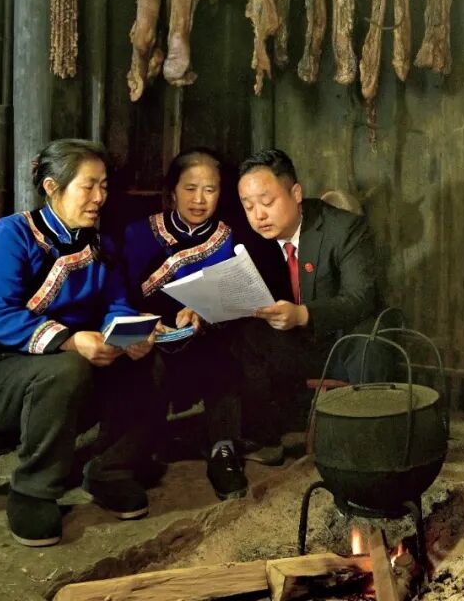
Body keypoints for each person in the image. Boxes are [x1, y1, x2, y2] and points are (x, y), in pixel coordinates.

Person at [0, 139, 163, 547]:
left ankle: (110, 470)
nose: (100, 197)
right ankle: (32, 491)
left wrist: (128, 336)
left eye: (104, 186)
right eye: (89, 186)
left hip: (67, 378)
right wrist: (70, 341)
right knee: (66, 366)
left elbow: (116, 304)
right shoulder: (13, 235)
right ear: (52, 187)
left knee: (146, 362)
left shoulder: (100, 245)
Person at [233, 148, 386, 456]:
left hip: (338, 343)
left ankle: (368, 442)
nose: (258, 215)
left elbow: (360, 298)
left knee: (367, 336)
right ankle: (265, 438)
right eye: (248, 206)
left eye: (267, 202)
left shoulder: (343, 229)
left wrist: (302, 314)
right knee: (242, 335)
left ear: (296, 193)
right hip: (294, 343)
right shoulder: (251, 238)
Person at [120, 148, 248, 500]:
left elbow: (236, 295)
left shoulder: (230, 237)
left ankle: (223, 450)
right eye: (190, 189)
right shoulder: (139, 234)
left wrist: (205, 311)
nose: (199, 199)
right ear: (173, 191)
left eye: (210, 190)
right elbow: (122, 295)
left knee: (225, 355)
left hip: (205, 334)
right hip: (152, 333)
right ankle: (136, 451)